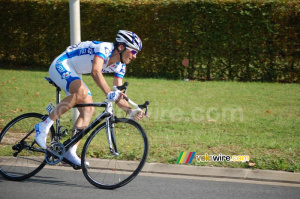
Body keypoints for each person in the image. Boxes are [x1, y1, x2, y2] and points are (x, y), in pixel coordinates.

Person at [35, 30, 146, 166]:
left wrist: (130, 111)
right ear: (121, 47)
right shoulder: (104, 48)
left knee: (88, 110)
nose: (135, 57)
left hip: (74, 71)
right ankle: (43, 126)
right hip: (62, 64)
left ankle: (70, 151)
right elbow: (95, 72)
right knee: (81, 93)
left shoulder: (120, 67)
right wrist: (108, 92)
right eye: (134, 52)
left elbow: (117, 93)